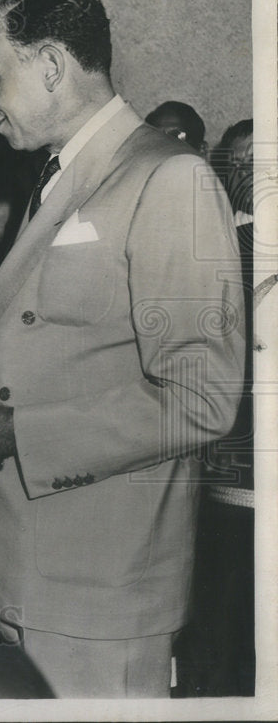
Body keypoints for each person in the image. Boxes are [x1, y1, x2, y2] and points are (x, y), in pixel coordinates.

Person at [0, 0, 244, 697]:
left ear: (51, 65)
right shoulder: (59, 176)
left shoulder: (168, 179)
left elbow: (202, 399)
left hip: (90, 596)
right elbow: (68, 350)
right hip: (11, 574)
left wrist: (16, 431)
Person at [175, 118, 255, 696]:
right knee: (218, 632)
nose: (253, 177)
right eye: (242, 164)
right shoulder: (212, 249)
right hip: (226, 479)